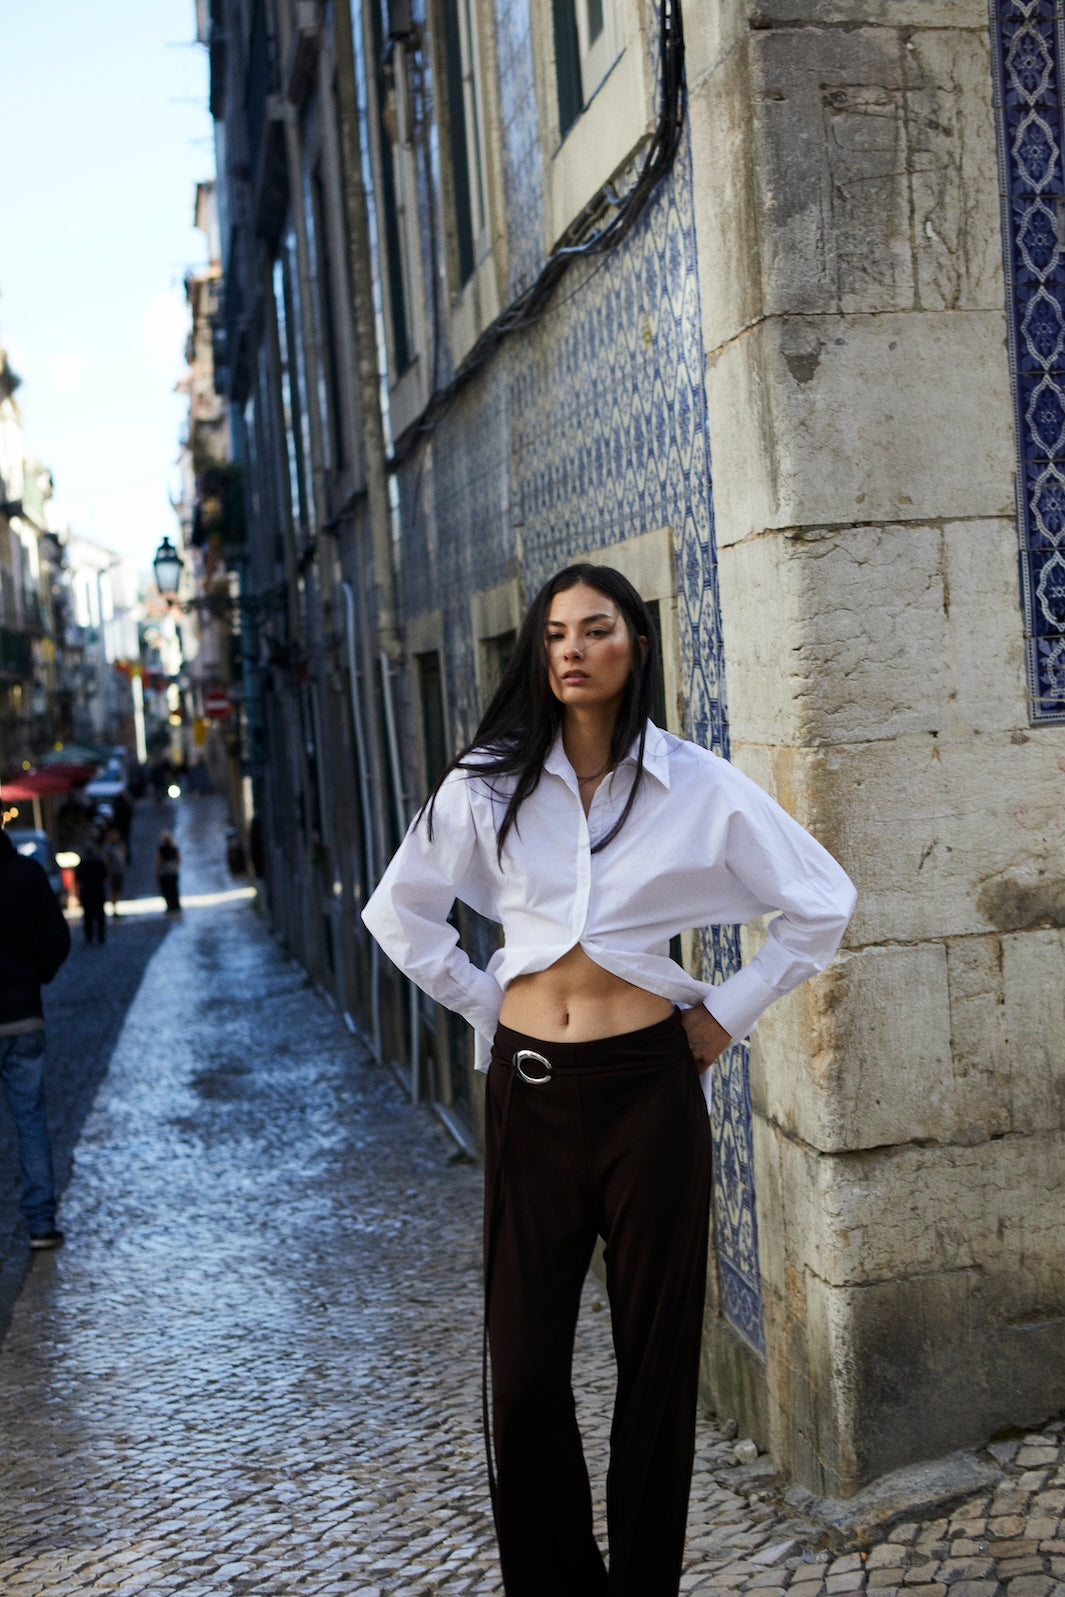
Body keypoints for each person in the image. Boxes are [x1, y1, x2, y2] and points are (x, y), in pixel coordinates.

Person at [362, 564, 857, 1597]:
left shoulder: (697, 784)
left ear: (636, 645)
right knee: (526, 1370)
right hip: (531, 1094)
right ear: (538, 657)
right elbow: (400, 914)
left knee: (658, 1366)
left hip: (649, 1092)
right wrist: (485, 1004)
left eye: (596, 630)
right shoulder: (486, 785)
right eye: (554, 634)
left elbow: (821, 901)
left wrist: (726, 1012)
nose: (573, 649)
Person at [0, 820, 72, 1249]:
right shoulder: (26, 874)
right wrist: (35, 974)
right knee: (30, 1121)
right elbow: (57, 938)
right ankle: (41, 1224)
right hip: (24, 1016)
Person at [75, 840, 109, 946]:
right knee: (100, 916)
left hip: (87, 893)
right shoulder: (98, 861)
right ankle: (101, 936)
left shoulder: (83, 863)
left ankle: (89, 936)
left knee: (87, 917)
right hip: (98, 891)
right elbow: (105, 875)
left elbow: (78, 878)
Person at [103, 827, 127, 917]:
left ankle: (116, 907)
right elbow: (106, 860)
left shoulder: (120, 845)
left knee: (118, 890)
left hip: (119, 871)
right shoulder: (108, 847)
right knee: (114, 890)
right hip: (113, 872)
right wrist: (108, 872)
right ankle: (114, 909)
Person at [155, 830, 181, 913]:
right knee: (174, 889)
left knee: (166, 890)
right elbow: (178, 859)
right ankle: (175, 905)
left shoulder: (161, 849)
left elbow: (158, 860)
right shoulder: (174, 848)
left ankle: (170, 905)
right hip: (173, 871)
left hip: (165, 872)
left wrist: (157, 870)